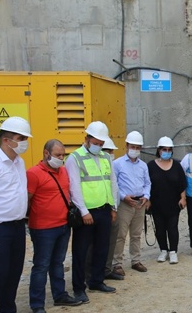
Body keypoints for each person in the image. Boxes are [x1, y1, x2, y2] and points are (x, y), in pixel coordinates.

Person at [27, 140, 82, 312]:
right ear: (46, 153)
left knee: (58, 262)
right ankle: (37, 304)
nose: (61, 158)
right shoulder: (33, 173)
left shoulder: (64, 171)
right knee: (41, 265)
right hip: (43, 229)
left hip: (63, 226)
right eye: (58, 155)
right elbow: (26, 200)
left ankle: (60, 295)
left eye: (63, 155)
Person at [67, 121, 118, 303]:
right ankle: (79, 288)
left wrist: (113, 207)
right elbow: (74, 187)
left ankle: (97, 281)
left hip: (104, 210)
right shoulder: (74, 158)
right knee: (80, 251)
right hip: (86, 214)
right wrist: (83, 211)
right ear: (86, 139)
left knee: (101, 248)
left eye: (101, 143)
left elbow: (111, 183)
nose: (98, 146)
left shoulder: (106, 158)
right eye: (96, 142)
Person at [0, 117, 32, 312]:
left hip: (17, 226)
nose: (25, 143)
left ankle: (8, 308)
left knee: (14, 272)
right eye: (20, 138)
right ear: (6, 140)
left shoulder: (19, 162)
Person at [111, 131, 151, 275]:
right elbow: (114, 184)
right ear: (126, 145)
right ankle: (117, 263)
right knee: (120, 235)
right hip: (125, 204)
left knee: (136, 234)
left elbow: (147, 183)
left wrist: (146, 196)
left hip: (140, 202)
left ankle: (136, 260)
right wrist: (123, 197)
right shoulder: (117, 164)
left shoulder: (143, 165)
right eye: (132, 146)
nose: (135, 150)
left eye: (138, 147)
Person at [149, 136, 187, 263]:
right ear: (159, 150)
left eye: (169, 149)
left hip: (173, 203)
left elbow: (182, 183)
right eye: (164, 149)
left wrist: (183, 198)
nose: (166, 152)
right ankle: (163, 250)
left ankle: (173, 251)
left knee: (172, 227)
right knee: (159, 228)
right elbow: (146, 184)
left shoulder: (176, 165)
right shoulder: (151, 166)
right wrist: (148, 200)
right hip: (156, 204)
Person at [101, 138, 123, 280]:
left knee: (111, 241)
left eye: (111, 151)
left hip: (113, 209)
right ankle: (92, 273)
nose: (111, 153)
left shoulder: (111, 166)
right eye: (108, 151)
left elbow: (115, 187)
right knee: (97, 244)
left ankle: (107, 269)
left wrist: (114, 208)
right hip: (100, 210)